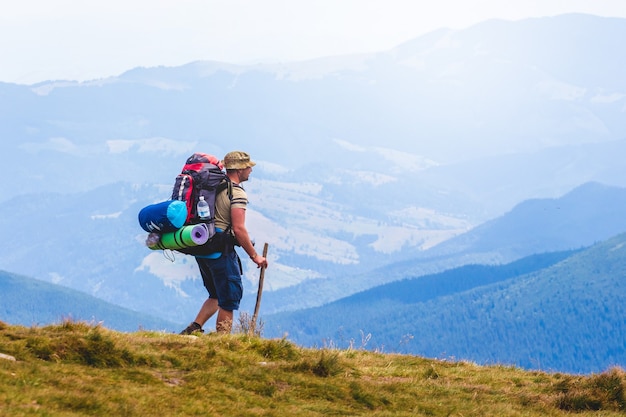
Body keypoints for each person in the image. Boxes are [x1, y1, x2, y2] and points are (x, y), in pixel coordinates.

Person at [180, 151, 268, 335]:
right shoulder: (236, 193)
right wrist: (255, 256)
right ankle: (222, 343)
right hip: (221, 250)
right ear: (239, 169)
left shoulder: (213, 186)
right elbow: (239, 229)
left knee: (215, 294)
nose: (251, 170)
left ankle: (194, 328)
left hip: (202, 245)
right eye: (248, 166)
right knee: (229, 299)